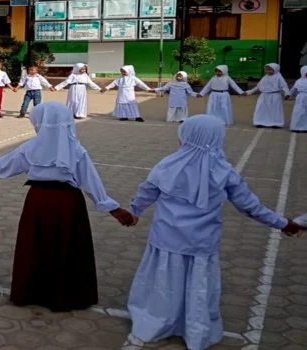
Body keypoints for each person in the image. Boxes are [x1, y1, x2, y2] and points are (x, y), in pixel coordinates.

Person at [125, 115, 305, 349]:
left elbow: (145, 193)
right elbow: (250, 207)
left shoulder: (168, 165)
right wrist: (283, 223)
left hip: (166, 238)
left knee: (164, 280)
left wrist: (133, 212)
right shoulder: (224, 171)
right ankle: (194, 328)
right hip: (202, 242)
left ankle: (157, 321)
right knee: (198, 283)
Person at [0, 102, 135, 311]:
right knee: (66, 245)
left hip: (39, 202)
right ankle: (66, 295)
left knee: (37, 244)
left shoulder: (32, 147)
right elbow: (90, 181)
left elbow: (5, 165)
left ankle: (33, 291)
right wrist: (113, 208)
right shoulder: (75, 149)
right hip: (68, 204)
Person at [246, 63, 291, 129]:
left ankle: (276, 123)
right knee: (261, 109)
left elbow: (284, 86)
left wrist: (287, 93)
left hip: (275, 96)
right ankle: (260, 122)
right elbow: (258, 86)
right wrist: (248, 92)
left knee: (274, 110)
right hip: (264, 96)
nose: (268, 71)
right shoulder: (265, 77)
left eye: (270, 70)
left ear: (275, 69)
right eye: (266, 70)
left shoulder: (279, 77)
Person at [290, 66, 307, 133]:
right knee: (298, 112)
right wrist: (288, 94)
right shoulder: (299, 81)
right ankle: (296, 126)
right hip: (300, 98)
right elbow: (294, 89)